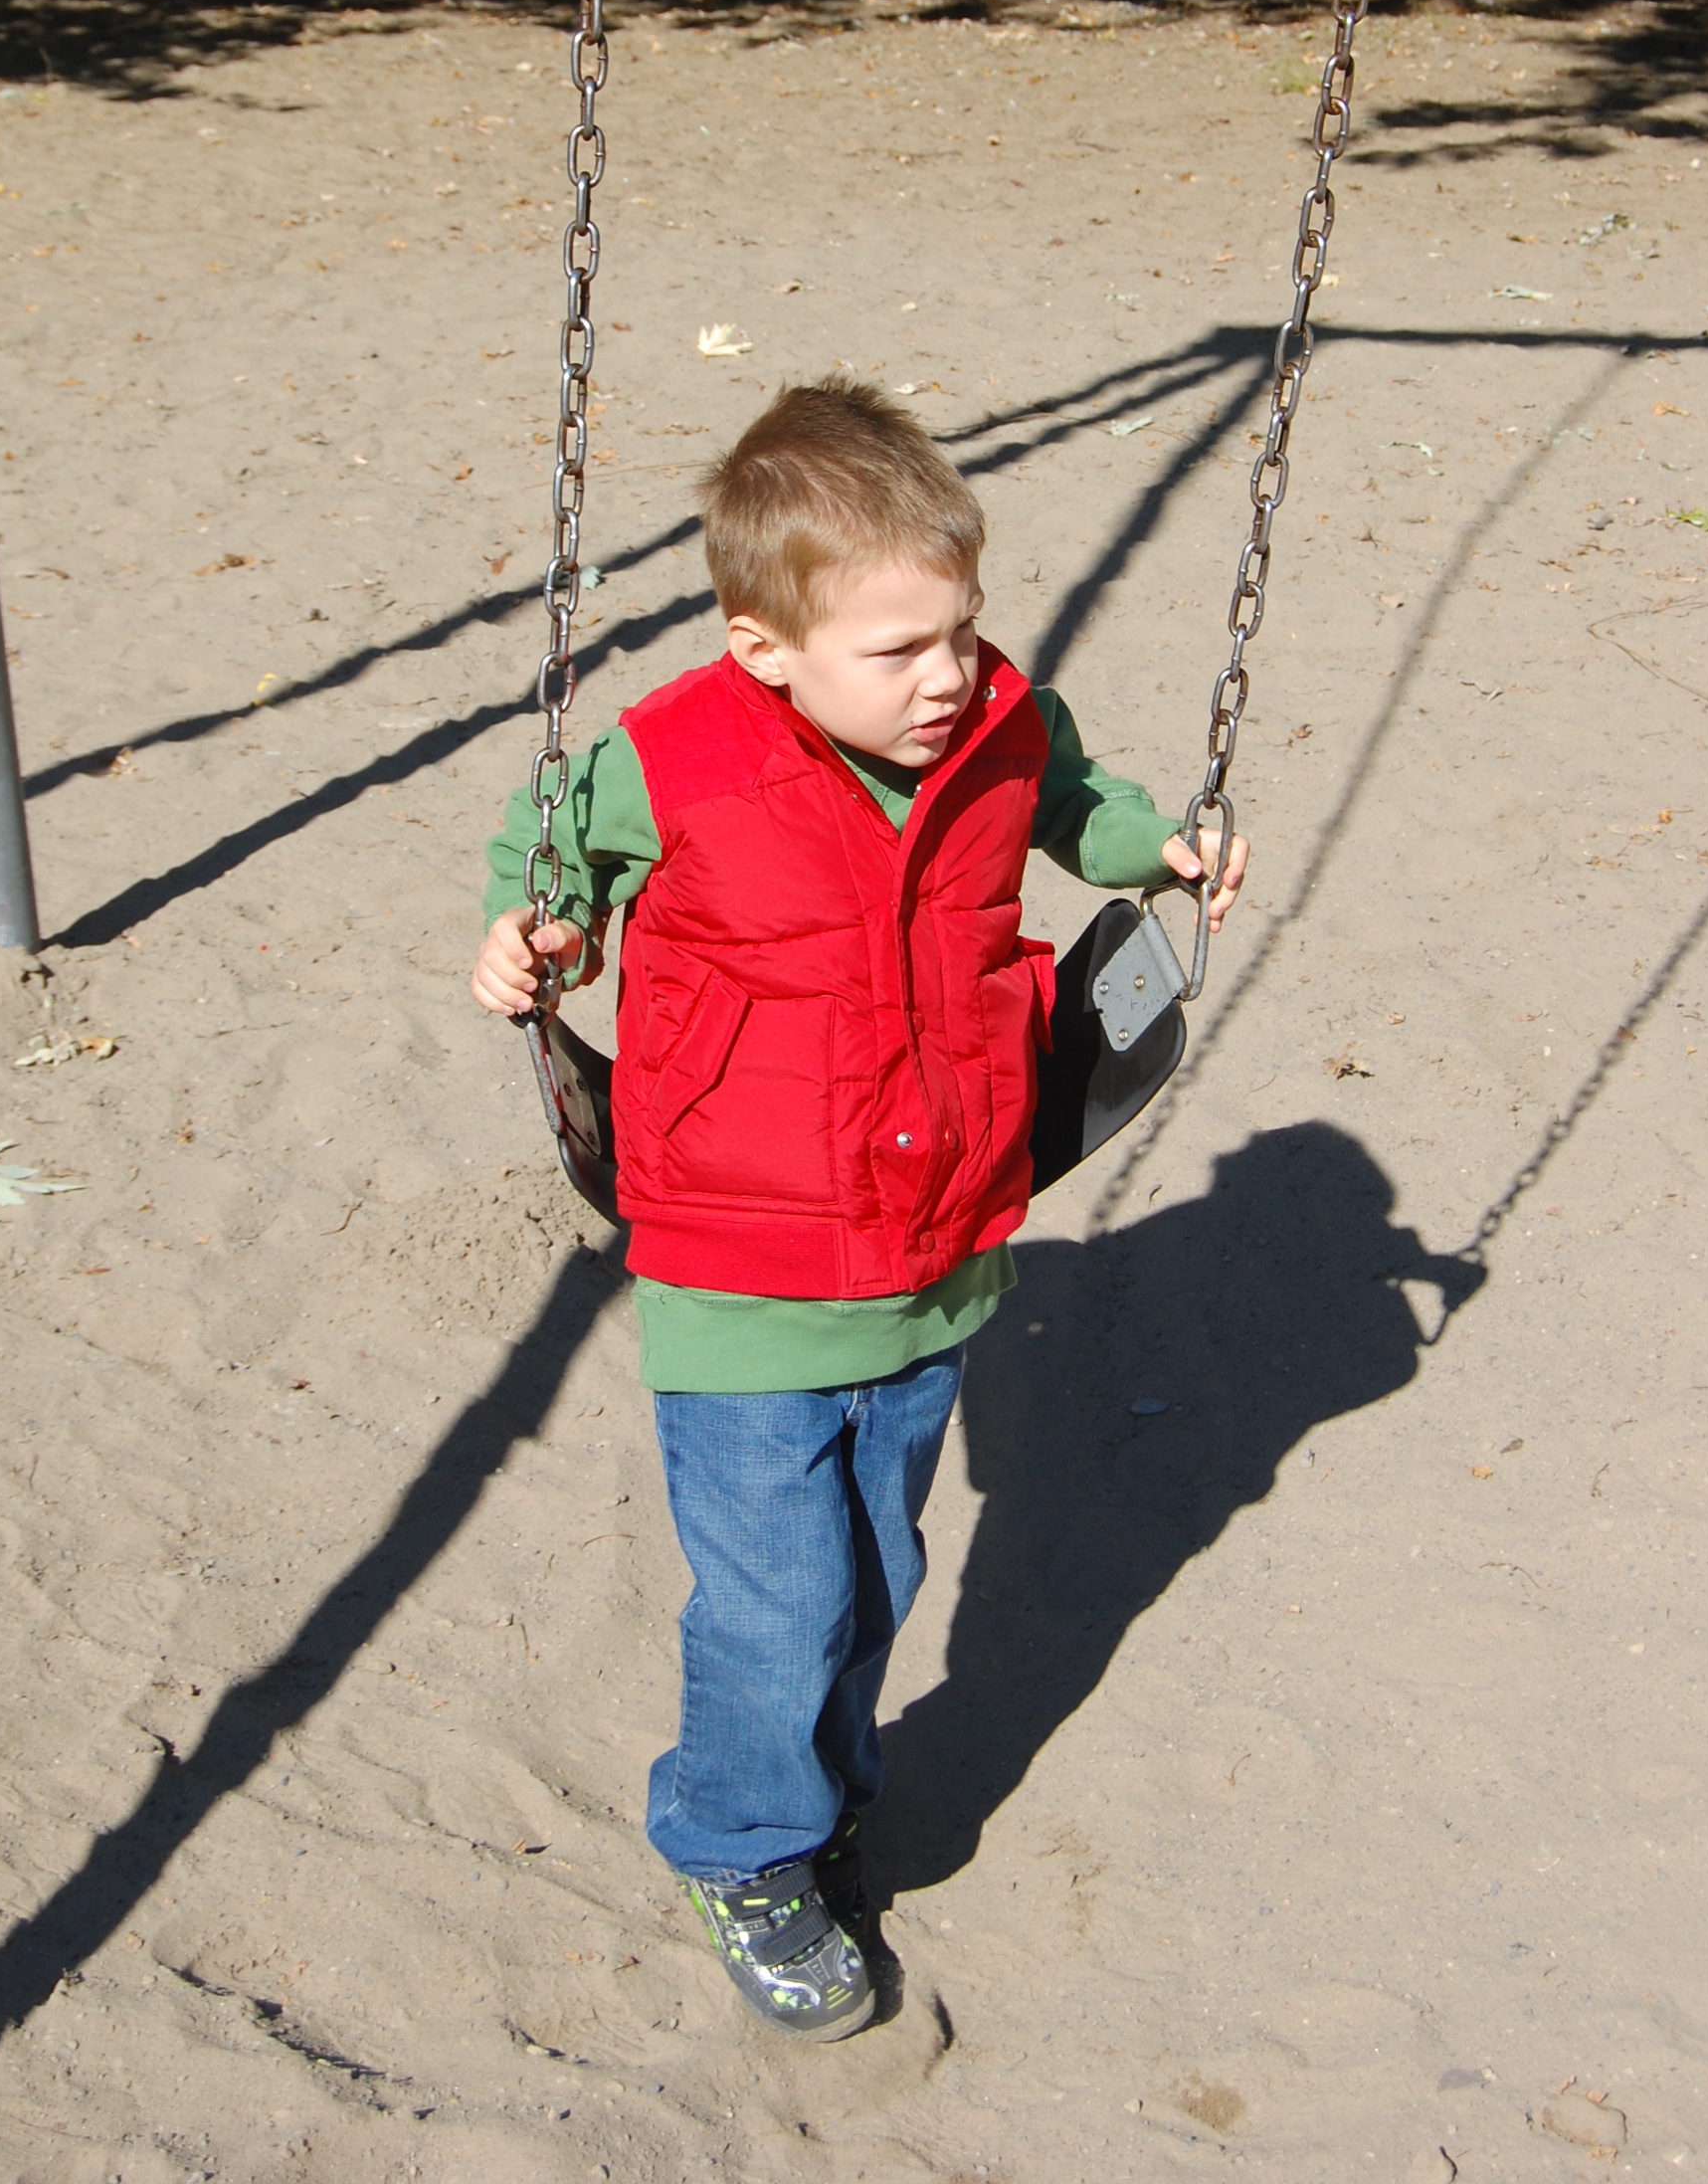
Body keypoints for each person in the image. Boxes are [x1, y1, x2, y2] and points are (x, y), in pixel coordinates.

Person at [472, 377, 1246, 2040]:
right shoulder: (675, 758)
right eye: (897, 650)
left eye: (961, 628)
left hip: (933, 1244)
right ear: (763, 647)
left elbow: (1076, 800)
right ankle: (742, 1843)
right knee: (780, 1600)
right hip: (739, 1263)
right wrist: (535, 936)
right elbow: (551, 851)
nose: (946, 674)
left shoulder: (998, 724)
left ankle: (819, 1791)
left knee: (877, 1568)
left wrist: (1155, 853)